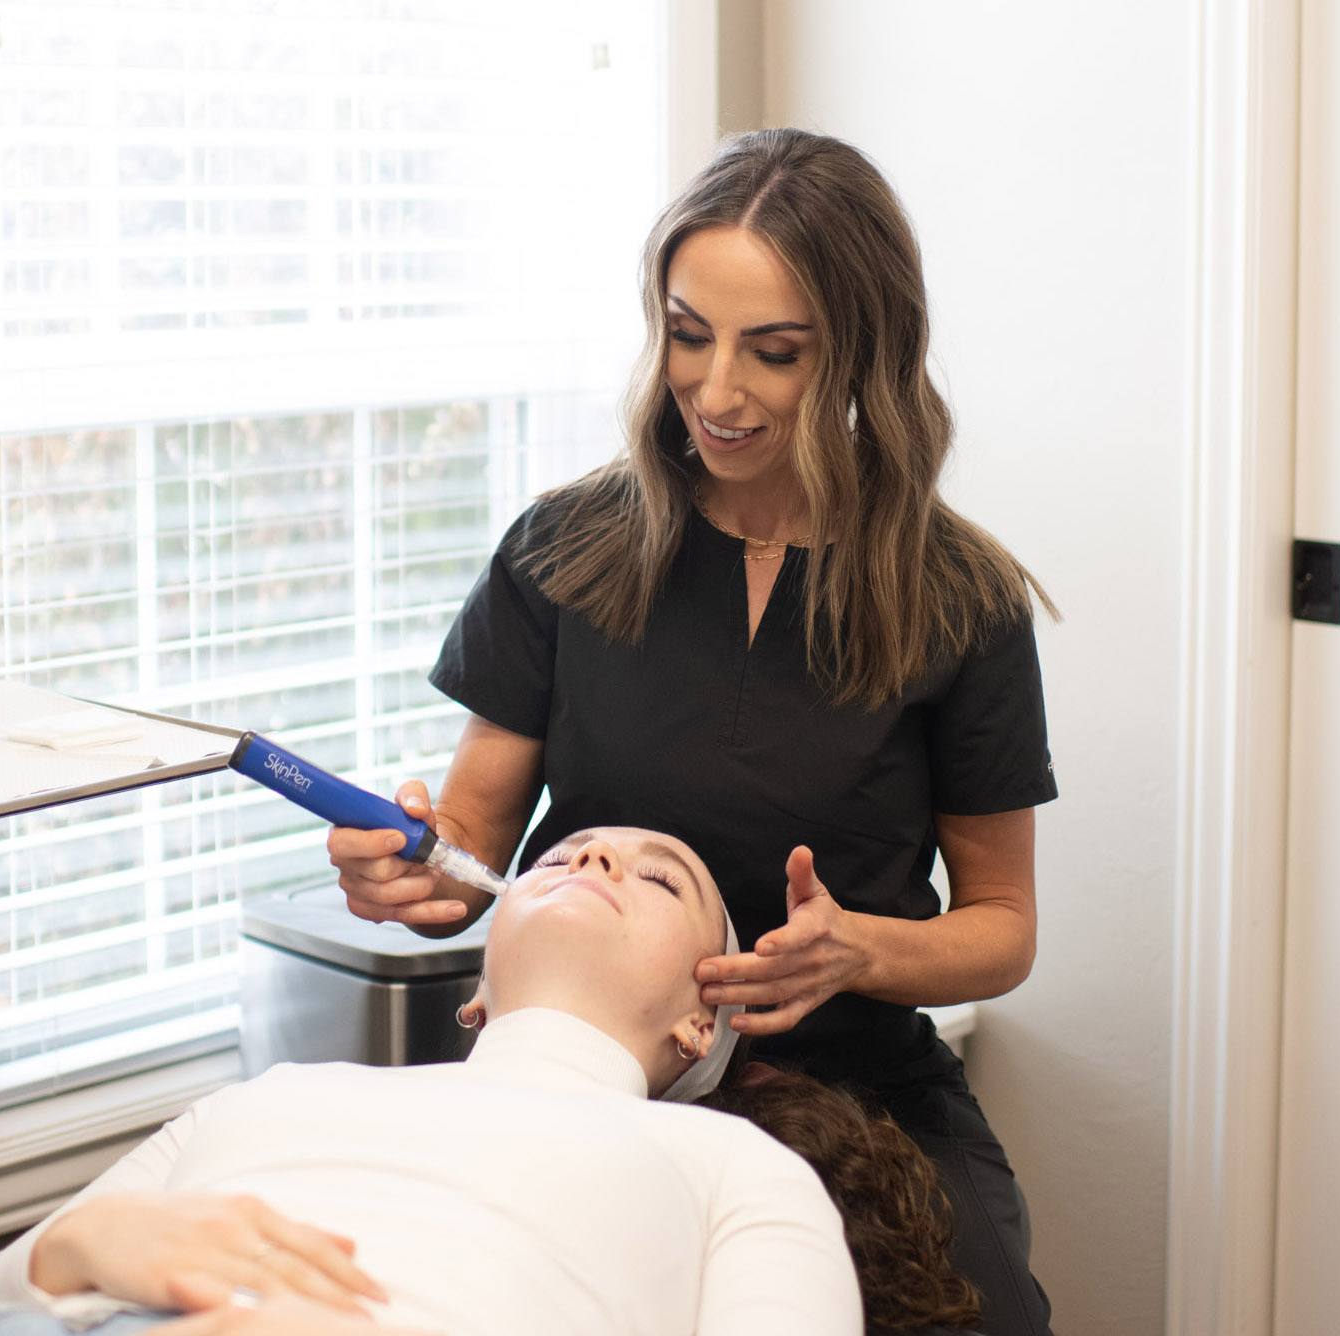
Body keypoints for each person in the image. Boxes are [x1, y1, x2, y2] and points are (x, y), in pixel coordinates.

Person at [328, 128, 1059, 1336]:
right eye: (687, 333)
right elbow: (466, 857)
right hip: (597, 1082)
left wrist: (856, 951)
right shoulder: (564, 550)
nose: (715, 392)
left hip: (854, 1090)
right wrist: (405, 868)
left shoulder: (954, 598)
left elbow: (1001, 928)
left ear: (863, 351)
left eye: (774, 351)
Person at [0, 829, 978, 1336]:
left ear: (703, 1026)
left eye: (659, 878)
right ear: (476, 991)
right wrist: (73, 1248)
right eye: (557, 855)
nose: (592, 859)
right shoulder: (270, 1096)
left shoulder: (730, 1164)